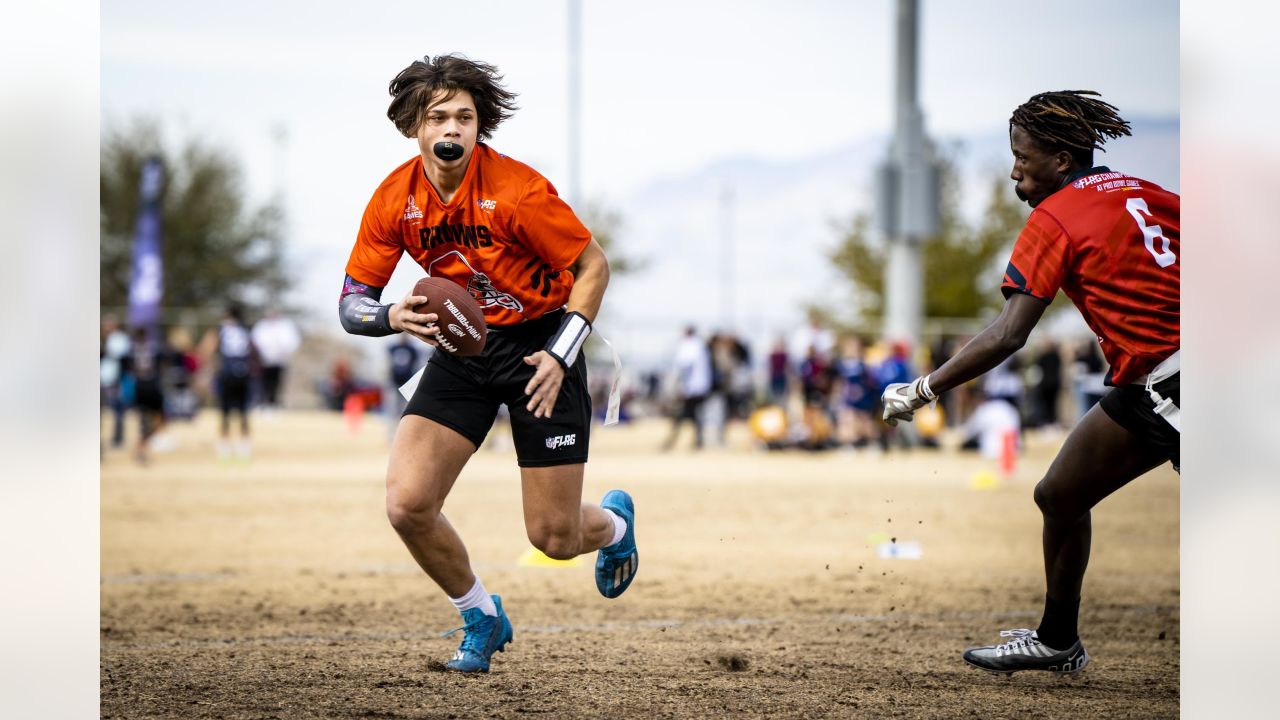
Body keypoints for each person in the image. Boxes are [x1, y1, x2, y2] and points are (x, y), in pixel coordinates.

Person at [337, 54, 637, 674]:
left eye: (465, 117)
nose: (452, 128)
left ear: (481, 127)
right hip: (465, 347)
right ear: (414, 127)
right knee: (407, 504)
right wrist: (391, 315)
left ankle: (612, 525)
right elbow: (351, 304)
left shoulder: (518, 192)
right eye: (438, 116)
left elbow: (593, 267)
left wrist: (562, 353)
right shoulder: (395, 198)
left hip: (541, 347)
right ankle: (480, 615)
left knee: (553, 539)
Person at [881, 91, 1179, 675]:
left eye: (1022, 156)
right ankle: (1057, 639)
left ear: (1063, 160)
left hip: (1180, 383)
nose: (1014, 168)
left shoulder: (1056, 217)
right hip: (1162, 383)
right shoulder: (1152, 193)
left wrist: (924, 389)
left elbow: (1009, 334)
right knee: (1059, 495)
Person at [209, 305, 257, 461]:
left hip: (227, 373)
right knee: (243, 411)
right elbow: (255, 350)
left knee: (225, 411)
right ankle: (245, 447)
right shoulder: (247, 329)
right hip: (243, 373)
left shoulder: (222, 329)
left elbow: (208, 348)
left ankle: (224, 447)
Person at [121, 327, 167, 464]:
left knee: (145, 421)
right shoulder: (152, 348)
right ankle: (142, 447)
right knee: (158, 420)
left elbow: (126, 366)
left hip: (140, 386)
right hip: (150, 386)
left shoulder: (132, 350)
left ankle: (141, 446)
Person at [662, 326, 712, 451]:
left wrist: (683, 386)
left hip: (691, 387)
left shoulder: (690, 346)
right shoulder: (699, 345)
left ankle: (672, 441)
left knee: (683, 414)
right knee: (694, 415)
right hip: (699, 387)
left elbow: (686, 366)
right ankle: (697, 442)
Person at [251, 309, 301, 411]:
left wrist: (284, 351)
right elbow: (255, 340)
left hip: (280, 360)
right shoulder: (262, 326)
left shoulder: (285, 326)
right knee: (263, 383)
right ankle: (262, 403)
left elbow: (292, 341)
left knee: (276, 383)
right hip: (263, 360)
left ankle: (273, 404)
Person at [386, 334, 429, 439]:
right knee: (392, 410)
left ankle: (404, 435)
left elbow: (417, 365)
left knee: (406, 410)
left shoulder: (412, 350)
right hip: (394, 382)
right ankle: (391, 435)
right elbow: (388, 363)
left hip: (407, 383)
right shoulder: (393, 348)